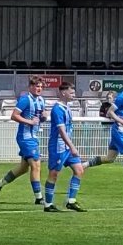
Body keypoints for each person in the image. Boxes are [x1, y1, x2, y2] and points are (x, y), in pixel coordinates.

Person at [0, 76, 46, 205]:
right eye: (37, 86)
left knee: (23, 168)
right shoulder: (25, 100)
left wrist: (43, 117)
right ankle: (39, 198)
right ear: (31, 87)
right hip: (25, 137)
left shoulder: (41, 100)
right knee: (36, 165)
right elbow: (14, 115)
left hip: (34, 137)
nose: (39, 89)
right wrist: (29, 121)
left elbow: (40, 115)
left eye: (41, 87)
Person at [43, 82, 87, 213]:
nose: (74, 94)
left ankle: (71, 201)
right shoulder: (57, 109)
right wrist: (72, 147)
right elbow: (61, 131)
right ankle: (48, 204)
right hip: (58, 146)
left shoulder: (67, 107)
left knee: (79, 170)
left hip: (67, 147)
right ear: (63, 93)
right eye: (71, 92)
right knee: (54, 174)